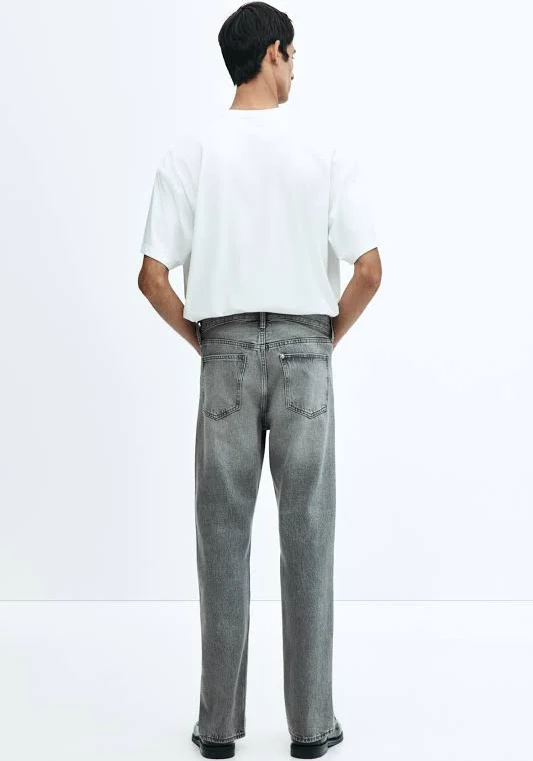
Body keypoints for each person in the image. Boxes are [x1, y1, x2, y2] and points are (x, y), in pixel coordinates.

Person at [137, 2, 382, 757]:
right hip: (307, 352)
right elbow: (369, 271)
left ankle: (217, 729)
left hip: (225, 355)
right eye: (293, 55)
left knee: (221, 541)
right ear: (272, 52)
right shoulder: (325, 150)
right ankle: (311, 727)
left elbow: (152, 277)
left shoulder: (191, 153)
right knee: (309, 540)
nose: (295, 69)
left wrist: (205, 342)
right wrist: (322, 340)